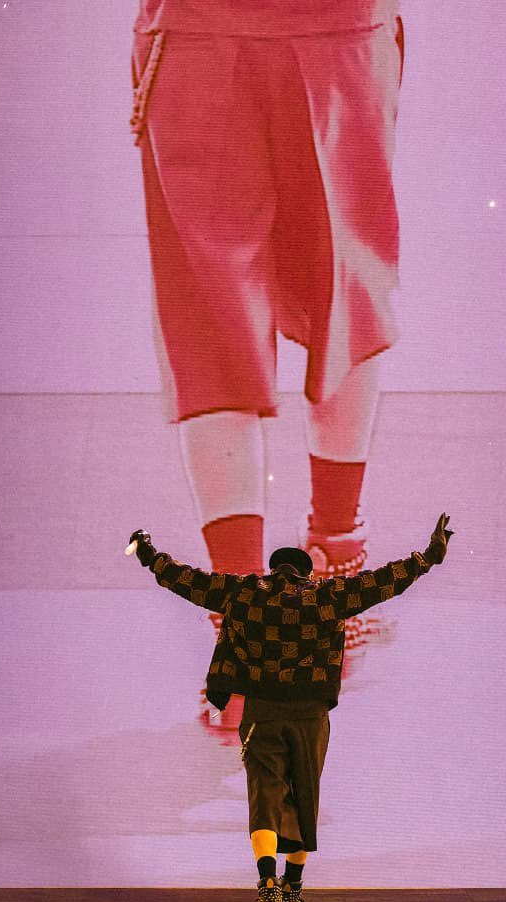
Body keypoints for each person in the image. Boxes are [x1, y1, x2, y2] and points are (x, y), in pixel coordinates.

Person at [129, 0, 407, 586]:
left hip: (197, 32)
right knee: (347, 288)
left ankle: (243, 600)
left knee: (211, 317)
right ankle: (337, 556)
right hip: (340, 30)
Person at [128, 513, 454, 902]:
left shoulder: (244, 593)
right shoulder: (326, 596)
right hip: (310, 715)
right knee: (303, 798)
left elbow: (186, 581)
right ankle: (292, 890)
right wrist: (427, 557)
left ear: (272, 570)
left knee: (264, 799)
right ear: (307, 573)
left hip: (262, 712)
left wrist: (149, 554)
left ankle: (267, 889)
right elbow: (381, 582)